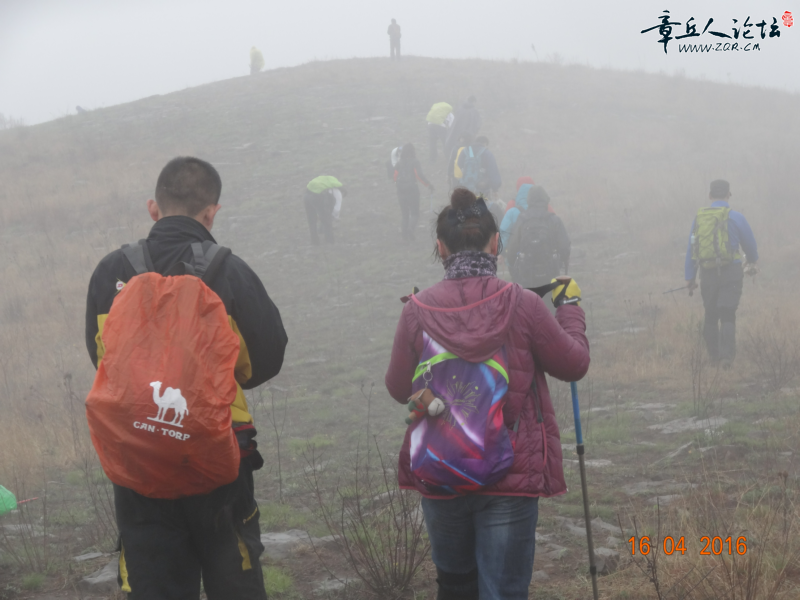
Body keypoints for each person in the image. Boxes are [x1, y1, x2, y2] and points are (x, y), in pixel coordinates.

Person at [85, 156, 288, 599]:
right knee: (234, 579)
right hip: (218, 456)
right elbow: (268, 359)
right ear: (211, 212)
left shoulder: (108, 274)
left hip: (138, 460)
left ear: (153, 209)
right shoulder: (230, 273)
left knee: (154, 585)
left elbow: (102, 363)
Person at [385, 188, 590, 600]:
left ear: (439, 247)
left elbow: (397, 387)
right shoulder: (525, 305)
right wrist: (569, 308)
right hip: (509, 474)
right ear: (497, 243)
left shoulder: (417, 311)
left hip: (440, 470)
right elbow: (573, 364)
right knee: (503, 592)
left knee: (456, 589)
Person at [685, 179, 758, 367]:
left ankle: (713, 357)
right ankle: (726, 358)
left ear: (710, 196)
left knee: (710, 313)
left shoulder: (699, 219)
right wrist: (751, 260)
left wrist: (690, 277)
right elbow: (751, 247)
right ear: (728, 195)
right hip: (731, 272)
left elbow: (692, 250)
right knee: (727, 313)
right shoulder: (736, 217)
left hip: (707, 272)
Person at [505, 185, 571, 289]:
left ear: (529, 200)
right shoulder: (554, 220)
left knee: (529, 303)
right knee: (550, 303)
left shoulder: (522, 220)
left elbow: (511, 252)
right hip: (551, 274)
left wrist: (516, 273)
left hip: (527, 275)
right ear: (546, 200)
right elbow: (564, 248)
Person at [394, 143, 434, 241]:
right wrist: (428, 185)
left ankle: (404, 237)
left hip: (400, 191)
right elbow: (419, 175)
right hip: (412, 191)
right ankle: (411, 229)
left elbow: (394, 177)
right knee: (415, 213)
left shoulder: (399, 163)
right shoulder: (415, 162)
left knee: (405, 215)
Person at [304, 175, 346, 245]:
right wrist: (335, 217)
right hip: (317, 196)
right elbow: (336, 209)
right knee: (326, 220)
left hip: (307, 195)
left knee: (311, 220)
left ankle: (315, 242)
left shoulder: (329, 181)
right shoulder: (337, 192)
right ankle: (330, 241)